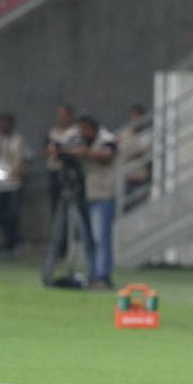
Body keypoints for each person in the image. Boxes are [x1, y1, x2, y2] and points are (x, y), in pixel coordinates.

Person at [72, 114, 118, 289]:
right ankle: (93, 274)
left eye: (84, 129)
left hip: (103, 195)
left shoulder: (107, 139)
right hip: (86, 194)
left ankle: (102, 276)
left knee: (101, 237)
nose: (82, 132)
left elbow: (107, 154)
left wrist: (85, 152)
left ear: (92, 128)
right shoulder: (80, 140)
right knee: (88, 238)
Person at [0, 112, 32, 255]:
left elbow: (28, 157)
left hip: (13, 182)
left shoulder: (19, 139)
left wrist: (23, 171)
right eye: (2, 122)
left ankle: (10, 243)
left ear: (12, 124)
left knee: (13, 213)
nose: (5, 125)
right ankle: (14, 240)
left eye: (7, 122)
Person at [44, 104, 78, 214]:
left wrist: (63, 150)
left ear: (70, 116)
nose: (62, 119)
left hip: (72, 171)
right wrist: (53, 150)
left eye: (64, 116)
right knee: (56, 204)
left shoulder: (76, 132)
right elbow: (46, 150)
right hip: (55, 170)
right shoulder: (52, 133)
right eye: (60, 116)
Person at [118, 103, 152, 208]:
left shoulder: (147, 135)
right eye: (133, 117)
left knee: (142, 210)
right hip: (126, 180)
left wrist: (129, 151)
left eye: (138, 117)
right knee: (123, 210)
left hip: (141, 180)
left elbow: (142, 151)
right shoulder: (123, 134)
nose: (136, 120)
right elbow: (120, 152)